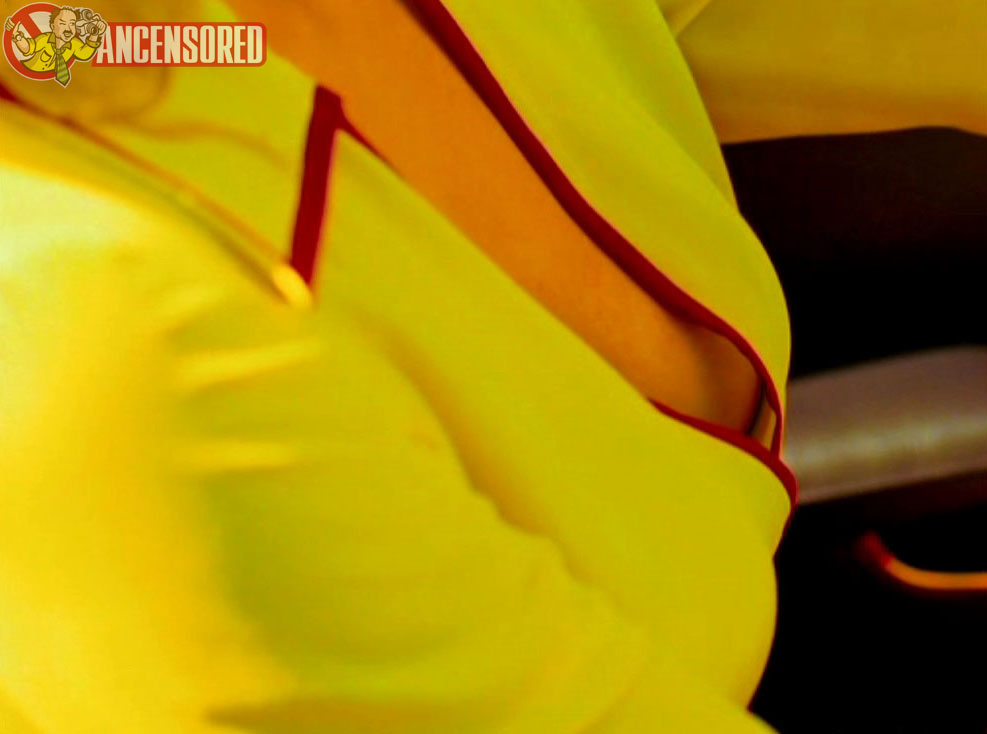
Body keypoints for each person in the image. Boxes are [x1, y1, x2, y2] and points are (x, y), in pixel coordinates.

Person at [5, 6, 106, 86]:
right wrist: (16, 35)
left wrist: (95, 33)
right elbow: (27, 48)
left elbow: (84, 54)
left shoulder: (74, 43)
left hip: (52, 87)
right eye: (62, 23)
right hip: (25, 79)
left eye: (72, 24)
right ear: (53, 27)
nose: (68, 29)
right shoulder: (45, 39)